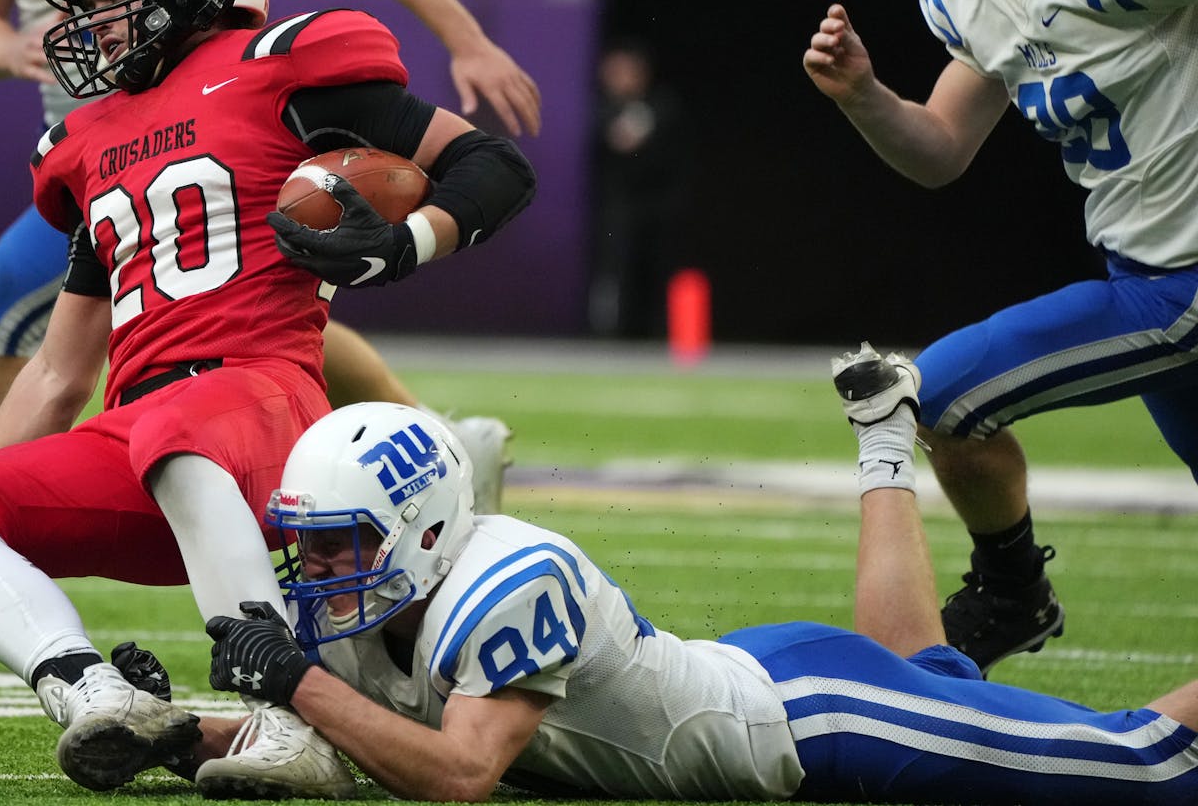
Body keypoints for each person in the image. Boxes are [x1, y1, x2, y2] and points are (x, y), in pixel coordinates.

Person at [0, 0, 535, 794]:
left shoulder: (285, 62)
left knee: (172, 423)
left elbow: (489, 163)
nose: (95, 23)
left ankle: (285, 717)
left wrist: (400, 245)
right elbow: (57, 371)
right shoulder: (90, 135)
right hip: (148, 438)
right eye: (87, 2)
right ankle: (97, 694)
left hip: (262, 406)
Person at [184, 348, 1198, 804]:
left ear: (422, 526)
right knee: (922, 668)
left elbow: (457, 776)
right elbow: (336, 732)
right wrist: (167, 732)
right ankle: (884, 442)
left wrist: (291, 679)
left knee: (1150, 766)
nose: (312, 571)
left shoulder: (508, 579)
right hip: (752, 678)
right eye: (308, 544)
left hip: (813, 720)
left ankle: (888, 442)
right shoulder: (374, 602)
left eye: (336, 546)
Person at [802, 0, 1198, 674]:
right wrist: (866, 98)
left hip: (1180, 285)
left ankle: (1010, 590)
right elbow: (942, 147)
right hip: (1143, 268)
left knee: (942, 392)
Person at [588, 37, 693, 339]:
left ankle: (661, 336)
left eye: (625, 71)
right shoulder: (601, 109)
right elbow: (617, 139)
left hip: (659, 207)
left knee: (659, 272)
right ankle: (611, 337)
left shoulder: (662, 104)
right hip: (619, 210)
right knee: (616, 273)